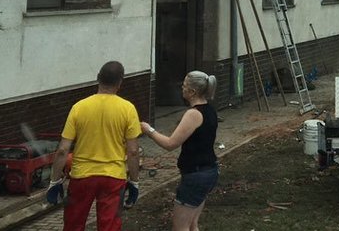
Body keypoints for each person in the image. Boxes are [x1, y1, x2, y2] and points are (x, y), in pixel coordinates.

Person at [47, 61, 141, 231]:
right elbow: (133, 151)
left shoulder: (78, 108)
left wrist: (54, 181)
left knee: (73, 224)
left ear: (97, 78)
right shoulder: (128, 109)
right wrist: (134, 182)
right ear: (120, 82)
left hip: (82, 176)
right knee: (109, 226)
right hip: (113, 177)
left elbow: (62, 150)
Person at [141, 71, 220, 231]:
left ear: (192, 92)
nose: (181, 88)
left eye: (184, 85)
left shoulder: (193, 114)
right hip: (209, 171)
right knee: (192, 225)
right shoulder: (210, 110)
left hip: (196, 176)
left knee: (180, 227)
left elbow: (170, 144)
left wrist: (149, 130)